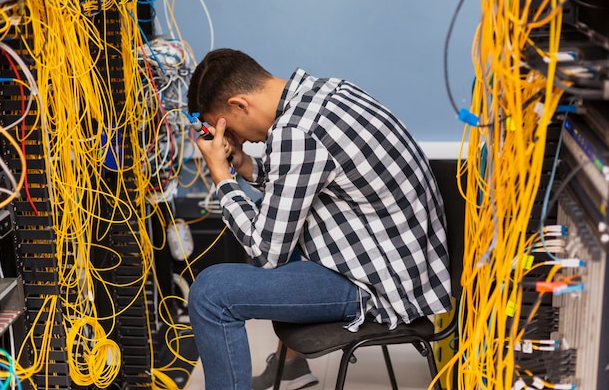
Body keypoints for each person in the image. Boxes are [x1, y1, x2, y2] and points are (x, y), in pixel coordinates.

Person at [186, 48, 452, 390]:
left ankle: (287, 369)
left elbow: (264, 252)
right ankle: (294, 367)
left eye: (228, 129)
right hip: (403, 266)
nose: (236, 139)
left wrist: (222, 176)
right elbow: (299, 179)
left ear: (239, 104)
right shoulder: (326, 94)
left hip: (379, 288)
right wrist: (245, 165)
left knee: (211, 293)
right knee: (282, 224)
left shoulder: (296, 133)